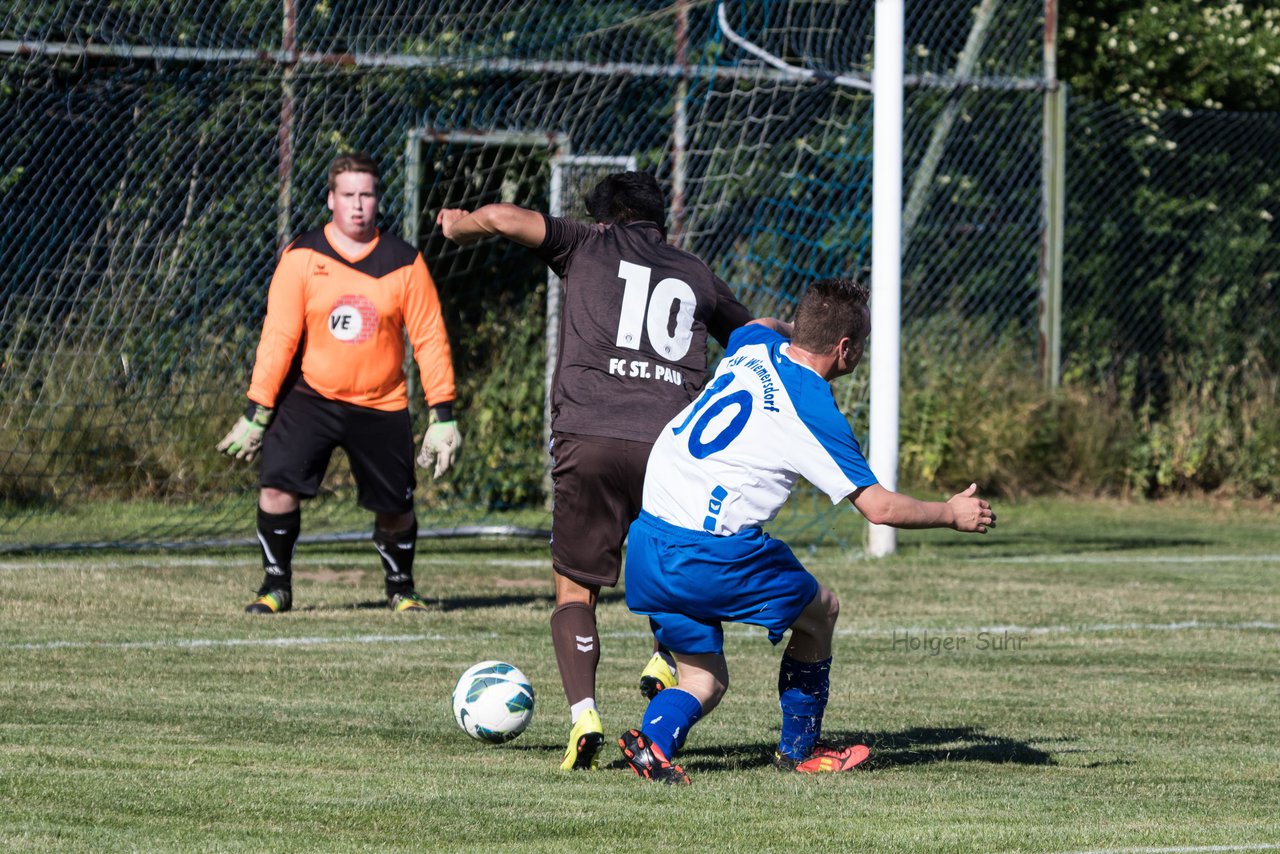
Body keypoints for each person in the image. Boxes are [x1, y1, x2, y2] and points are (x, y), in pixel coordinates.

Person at [615, 277, 997, 784]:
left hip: (647, 540)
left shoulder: (754, 345)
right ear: (845, 349)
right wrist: (950, 513)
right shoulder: (812, 406)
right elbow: (879, 507)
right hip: (708, 552)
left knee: (703, 680)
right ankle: (800, 750)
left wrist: (798, 326)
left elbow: (759, 323)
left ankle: (652, 744)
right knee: (821, 614)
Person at [436, 172, 753, 771]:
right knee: (676, 560)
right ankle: (664, 657)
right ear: (662, 221)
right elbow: (752, 338)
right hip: (671, 447)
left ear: (605, 219)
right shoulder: (695, 272)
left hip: (591, 436)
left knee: (575, 587)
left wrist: (460, 225)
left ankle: (584, 712)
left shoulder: (585, 243)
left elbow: (505, 217)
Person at [217, 152, 462, 615]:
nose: (357, 205)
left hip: (382, 401)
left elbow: (430, 339)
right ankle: (275, 586)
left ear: (377, 201)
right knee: (276, 487)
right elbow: (279, 337)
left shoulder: (404, 262)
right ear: (331, 199)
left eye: (366, 195)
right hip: (311, 396)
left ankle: (401, 589)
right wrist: (257, 410)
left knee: (395, 505)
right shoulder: (302, 256)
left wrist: (442, 414)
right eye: (348, 195)